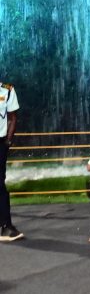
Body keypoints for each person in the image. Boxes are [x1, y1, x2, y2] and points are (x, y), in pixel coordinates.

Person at [0, 81, 23, 242]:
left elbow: (13, 117)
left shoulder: (7, 90)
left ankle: (5, 226)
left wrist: (8, 141)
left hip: (0, 143)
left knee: (0, 184)